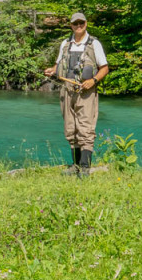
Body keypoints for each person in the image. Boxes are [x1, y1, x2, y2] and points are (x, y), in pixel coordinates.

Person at [43, 12, 109, 177]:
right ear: (71, 25)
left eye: (81, 23)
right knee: (70, 128)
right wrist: (52, 70)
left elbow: (105, 68)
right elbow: (58, 64)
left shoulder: (94, 44)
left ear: (85, 24)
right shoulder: (65, 44)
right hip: (66, 90)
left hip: (86, 91)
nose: (78, 26)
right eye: (75, 24)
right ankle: (75, 166)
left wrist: (93, 81)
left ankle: (85, 167)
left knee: (85, 128)